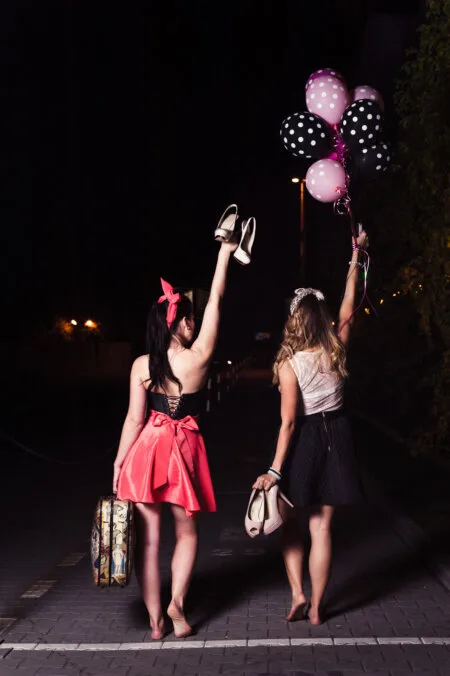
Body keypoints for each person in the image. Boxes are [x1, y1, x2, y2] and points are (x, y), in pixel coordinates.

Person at [113, 239, 237, 639]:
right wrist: (224, 254)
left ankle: (155, 623)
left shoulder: (140, 366)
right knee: (186, 533)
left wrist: (118, 464)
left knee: (148, 544)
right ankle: (177, 605)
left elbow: (134, 421)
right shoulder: (198, 357)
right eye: (188, 318)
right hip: (183, 449)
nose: (193, 323)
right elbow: (217, 297)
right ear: (178, 322)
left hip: (146, 450)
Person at [253, 229, 368, 626]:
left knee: (289, 522)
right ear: (322, 318)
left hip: (304, 439)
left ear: (295, 320)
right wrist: (356, 255)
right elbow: (350, 303)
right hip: (337, 436)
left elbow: (287, 422)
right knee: (322, 528)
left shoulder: (290, 364)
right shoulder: (337, 346)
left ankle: (298, 594)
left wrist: (273, 469)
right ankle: (319, 608)